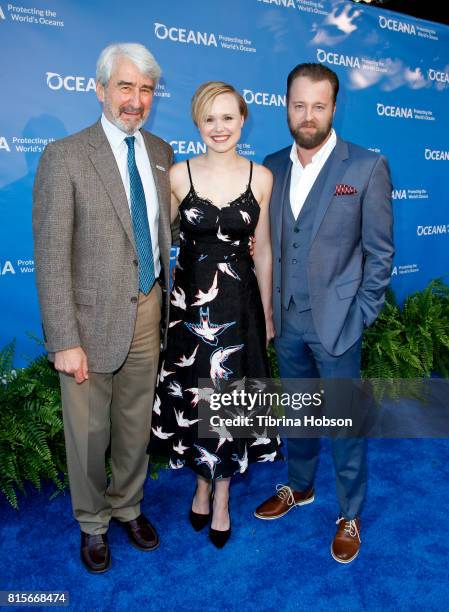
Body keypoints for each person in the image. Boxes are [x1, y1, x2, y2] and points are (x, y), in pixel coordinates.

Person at [32, 43, 173, 573]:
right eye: (125, 86)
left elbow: (168, 230)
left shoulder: (160, 151)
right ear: (99, 89)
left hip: (149, 308)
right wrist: (63, 338)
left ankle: (128, 506)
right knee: (89, 434)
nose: (135, 100)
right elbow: (49, 257)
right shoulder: (65, 155)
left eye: (145, 89)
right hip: (87, 325)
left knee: (135, 425)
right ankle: (92, 522)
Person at [254, 63, 394, 564]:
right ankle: (300, 486)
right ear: (285, 105)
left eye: (318, 105)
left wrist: (359, 316)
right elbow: (268, 245)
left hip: (338, 325)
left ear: (334, 107)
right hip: (286, 321)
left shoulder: (366, 167)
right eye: (298, 104)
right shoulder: (272, 165)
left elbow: (380, 254)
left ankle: (350, 513)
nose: (307, 115)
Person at [149, 81, 283, 548]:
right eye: (210, 118)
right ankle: (200, 483)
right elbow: (157, 243)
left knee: (230, 403)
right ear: (197, 124)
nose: (219, 127)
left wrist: (265, 313)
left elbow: (262, 252)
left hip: (240, 309)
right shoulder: (178, 176)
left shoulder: (261, 178)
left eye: (228, 117)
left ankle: (220, 495)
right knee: (195, 400)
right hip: (189, 313)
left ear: (243, 119)